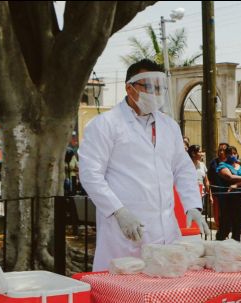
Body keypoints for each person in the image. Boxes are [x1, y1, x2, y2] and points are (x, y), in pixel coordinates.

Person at [79, 59, 207, 271]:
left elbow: (183, 168)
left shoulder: (169, 126)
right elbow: (90, 174)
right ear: (129, 88)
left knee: (164, 292)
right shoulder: (105, 125)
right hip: (125, 232)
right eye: (148, 86)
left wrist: (192, 205)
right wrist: (118, 211)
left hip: (166, 233)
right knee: (125, 293)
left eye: (159, 87)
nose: (155, 93)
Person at [215, 151, 241, 241]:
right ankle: (219, 246)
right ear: (226, 155)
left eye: (234, 153)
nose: (232, 155)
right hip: (227, 199)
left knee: (239, 224)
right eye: (230, 153)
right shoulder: (222, 165)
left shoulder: (240, 166)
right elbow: (229, 177)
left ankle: (236, 248)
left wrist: (236, 185)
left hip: (239, 198)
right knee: (226, 225)